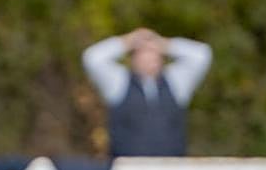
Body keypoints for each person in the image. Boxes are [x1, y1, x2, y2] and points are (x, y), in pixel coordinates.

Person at [82, 27, 212, 157]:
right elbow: (92, 57)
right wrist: (129, 40)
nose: (148, 58)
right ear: (132, 58)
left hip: (172, 168)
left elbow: (202, 54)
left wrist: (164, 43)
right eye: (142, 53)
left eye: (153, 53)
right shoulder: (119, 82)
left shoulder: (175, 82)